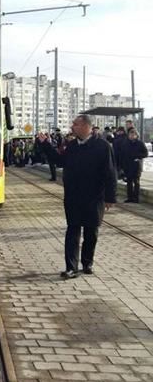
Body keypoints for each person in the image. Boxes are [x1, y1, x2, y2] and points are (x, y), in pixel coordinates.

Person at [38, 114, 117, 279]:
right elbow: (60, 161)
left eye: (76, 124)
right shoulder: (72, 146)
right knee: (72, 230)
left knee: (91, 232)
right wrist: (46, 145)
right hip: (73, 197)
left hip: (94, 197)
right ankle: (71, 267)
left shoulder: (103, 146)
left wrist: (110, 197)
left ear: (86, 126)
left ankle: (87, 263)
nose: (72, 127)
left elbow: (110, 173)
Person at [123, 128, 148, 203]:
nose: (131, 136)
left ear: (136, 135)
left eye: (133, 135)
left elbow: (145, 153)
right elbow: (123, 154)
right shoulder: (126, 143)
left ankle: (136, 198)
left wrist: (138, 156)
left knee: (136, 182)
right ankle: (130, 197)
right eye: (130, 134)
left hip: (136, 165)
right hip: (128, 165)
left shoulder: (140, 143)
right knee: (129, 182)